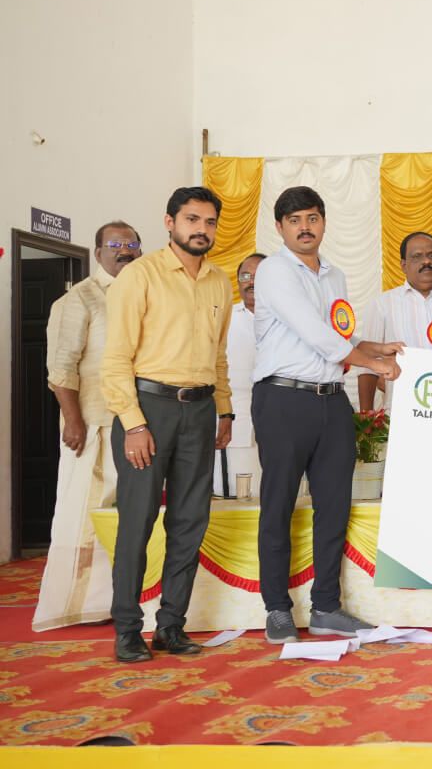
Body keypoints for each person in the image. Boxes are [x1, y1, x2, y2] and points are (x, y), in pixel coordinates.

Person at [252, 186, 404, 644]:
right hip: (283, 398)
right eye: (295, 220)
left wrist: (374, 347)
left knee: (334, 506)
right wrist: (372, 363)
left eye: (312, 218)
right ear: (279, 227)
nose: (305, 227)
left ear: (323, 222)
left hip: (331, 399)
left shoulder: (334, 275)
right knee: (278, 505)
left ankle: (326, 608)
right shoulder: (275, 271)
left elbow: (337, 331)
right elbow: (314, 333)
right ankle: (277, 608)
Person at [100, 188, 233, 662]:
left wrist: (224, 410)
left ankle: (171, 627)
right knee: (137, 522)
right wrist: (133, 424)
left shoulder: (220, 281)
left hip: (199, 411)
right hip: (148, 411)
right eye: (192, 219)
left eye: (210, 221)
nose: (202, 229)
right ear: (170, 222)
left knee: (190, 522)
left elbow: (219, 355)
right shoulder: (140, 276)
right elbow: (116, 358)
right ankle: (127, 630)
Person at [34, 222, 141, 631]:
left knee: (128, 516)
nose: (124, 250)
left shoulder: (142, 294)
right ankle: (80, 603)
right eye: (115, 244)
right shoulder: (78, 299)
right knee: (86, 514)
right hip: (93, 426)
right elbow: (61, 368)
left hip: (135, 425)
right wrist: (73, 420)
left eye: (131, 243)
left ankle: (123, 598)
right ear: (98, 253)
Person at [357, 232, 432, 410]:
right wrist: (365, 414)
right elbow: (367, 364)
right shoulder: (382, 304)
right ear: (403, 265)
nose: (426, 261)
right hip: (400, 408)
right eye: (417, 256)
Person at [214, 252, 265, 499]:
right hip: (236, 420)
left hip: (280, 419)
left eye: (259, 276)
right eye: (245, 276)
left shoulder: (289, 318)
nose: (251, 282)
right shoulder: (225, 318)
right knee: (236, 493)